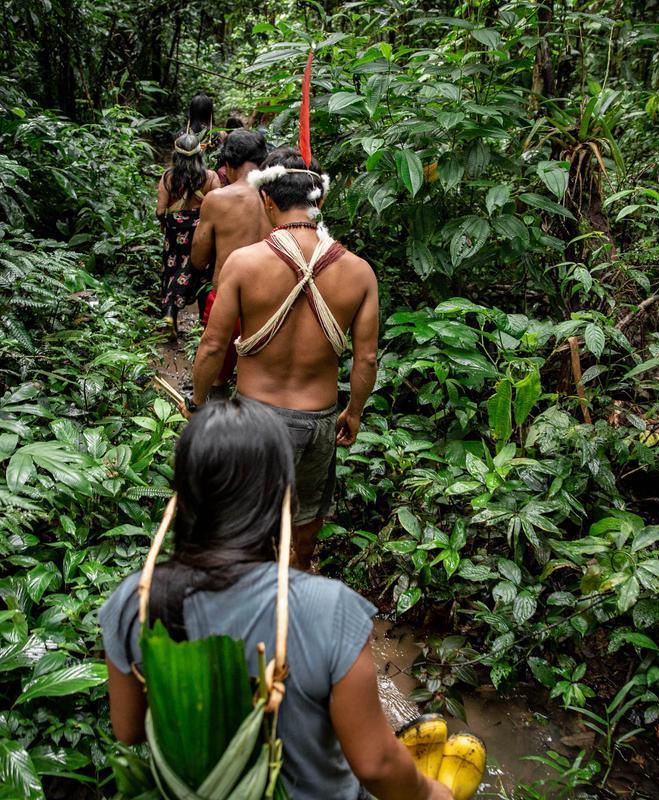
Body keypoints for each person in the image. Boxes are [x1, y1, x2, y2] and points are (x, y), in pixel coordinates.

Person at [99, 399, 451, 800]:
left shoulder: (136, 599)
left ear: (183, 495)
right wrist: (427, 793)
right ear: (282, 495)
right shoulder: (328, 607)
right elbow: (375, 763)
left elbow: (128, 729)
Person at [185, 148, 379, 570]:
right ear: (319, 202)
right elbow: (365, 358)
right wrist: (355, 412)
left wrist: (201, 405)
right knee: (307, 512)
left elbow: (213, 346)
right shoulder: (359, 272)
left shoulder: (244, 263)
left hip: (257, 419)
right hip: (319, 419)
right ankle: (298, 574)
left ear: (267, 201)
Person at [191, 129, 271, 394]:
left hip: (228, 298)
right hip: (271, 300)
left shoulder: (217, 200)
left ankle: (207, 407)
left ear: (228, 163)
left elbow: (198, 259)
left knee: (216, 375)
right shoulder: (278, 199)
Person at [155, 132, 219, 333]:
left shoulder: (168, 177)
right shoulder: (210, 177)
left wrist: (166, 225)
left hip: (175, 232)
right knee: (201, 273)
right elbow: (218, 205)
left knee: (173, 271)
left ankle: (169, 316)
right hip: (202, 232)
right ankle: (203, 324)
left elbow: (160, 210)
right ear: (200, 154)